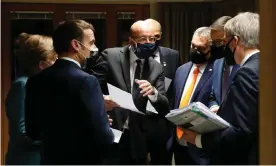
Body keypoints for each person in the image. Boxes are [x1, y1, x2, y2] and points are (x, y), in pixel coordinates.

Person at [24, 20, 114, 165]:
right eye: (91, 43)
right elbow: (103, 136)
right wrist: (102, 124)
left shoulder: (35, 80)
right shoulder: (86, 81)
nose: (93, 48)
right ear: (76, 45)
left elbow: (32, 131)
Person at [179, 12, 260, 165]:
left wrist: (198, 139)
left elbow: (241, 132)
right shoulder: (265, 64)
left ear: (235, 41)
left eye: (224, 43)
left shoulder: (247, 72)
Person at [97, 20, 169, 164]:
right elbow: (92, 86)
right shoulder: (110, 56)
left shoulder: (156, 67)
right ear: (131, 40)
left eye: (152, 39)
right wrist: (103, 100)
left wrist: (153, 92)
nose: (149, 42)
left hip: (139, 135)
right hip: (113, 129)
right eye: (143, 39)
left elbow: (164, 105)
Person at [5, 33, 57, 165]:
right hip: (27, 160)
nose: (58, 64)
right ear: (42, 64)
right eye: (55, 59)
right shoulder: (22, 85)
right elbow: (21, 135)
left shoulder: (43, 86)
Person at [170, 27, 214, 165]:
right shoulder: (181, 70)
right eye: (193, 46)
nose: (195, 51)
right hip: (179, 143)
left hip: (201, 147)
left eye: (201, 48)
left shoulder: (217, 72)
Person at [144, 18, 181, 164]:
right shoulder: (131, 55)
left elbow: (175, 85)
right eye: (149, 37)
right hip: (138, 120)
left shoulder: (172, 55)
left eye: (156, 37)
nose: (152, 41)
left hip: (163, 121)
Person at [209, 16, 240, 113]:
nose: (217, 46)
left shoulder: (245, 65)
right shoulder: (217, 64)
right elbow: (213, 96)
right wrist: (214, 107)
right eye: (214, 42)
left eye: (220, 42)